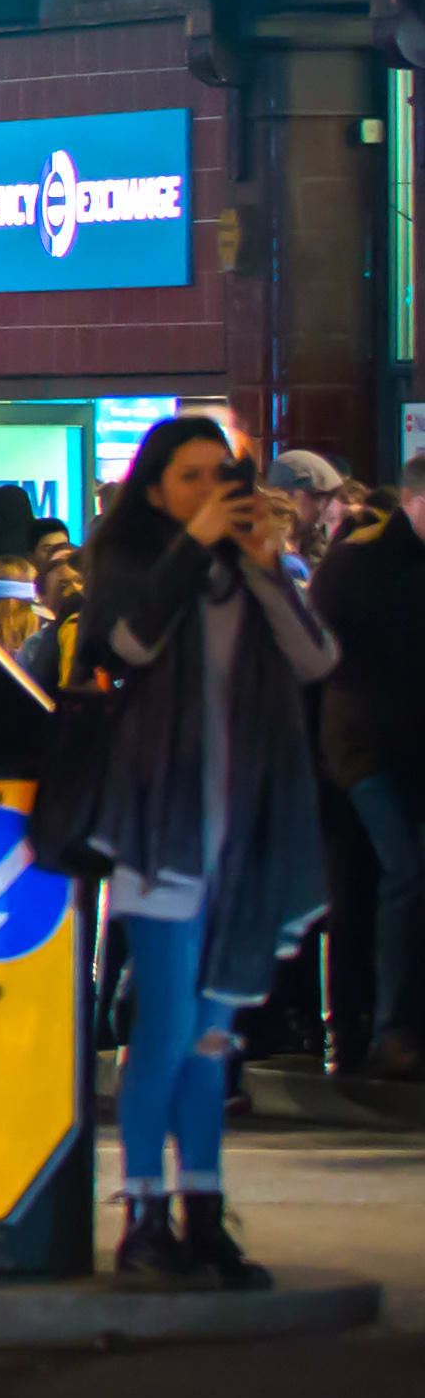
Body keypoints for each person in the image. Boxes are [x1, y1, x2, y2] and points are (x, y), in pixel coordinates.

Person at [62, 413, 338, 1287]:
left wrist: (263, 569)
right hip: (162, 821)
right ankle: (145, 1217)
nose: (210, 487)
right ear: (154, 488)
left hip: (247, 826)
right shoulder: (139, 567)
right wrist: (194, 545)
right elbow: (126, 644)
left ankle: (204, 1214)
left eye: (221, 473)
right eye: (190, 474)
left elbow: (317, 657)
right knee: (170, 1025)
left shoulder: (249, 573)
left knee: (217, 1037)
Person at [318, 452, 425, 1080]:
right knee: (404, 873)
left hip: (396, 744)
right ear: (411, 502)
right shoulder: (358, 564)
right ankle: (390, 1028)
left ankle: (389, 1025)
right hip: (367, 747)